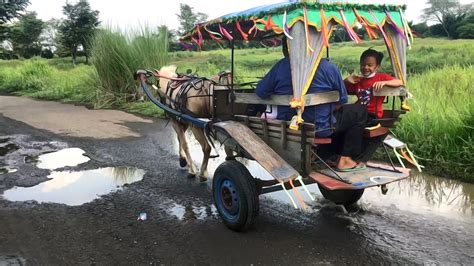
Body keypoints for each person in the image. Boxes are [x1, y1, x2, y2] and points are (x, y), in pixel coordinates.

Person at [256, 38, 367, 171]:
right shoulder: (329, 67)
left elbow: (261, 91)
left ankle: (327, 154)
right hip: (320, 128)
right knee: (359, 111)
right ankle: (345, 159)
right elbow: (342, 100)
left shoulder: (281, 66)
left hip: (289, 125)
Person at [344, 48, 405, 119]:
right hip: (358, 111)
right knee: (341, 111)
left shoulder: (381, 77)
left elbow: (400, 82)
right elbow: (343, 90)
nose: (365, 67)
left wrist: (385, 82)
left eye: (369, 65)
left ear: (377, 67)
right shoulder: (358, 79)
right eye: (363, 65)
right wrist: (346, 80)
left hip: (373, 114)